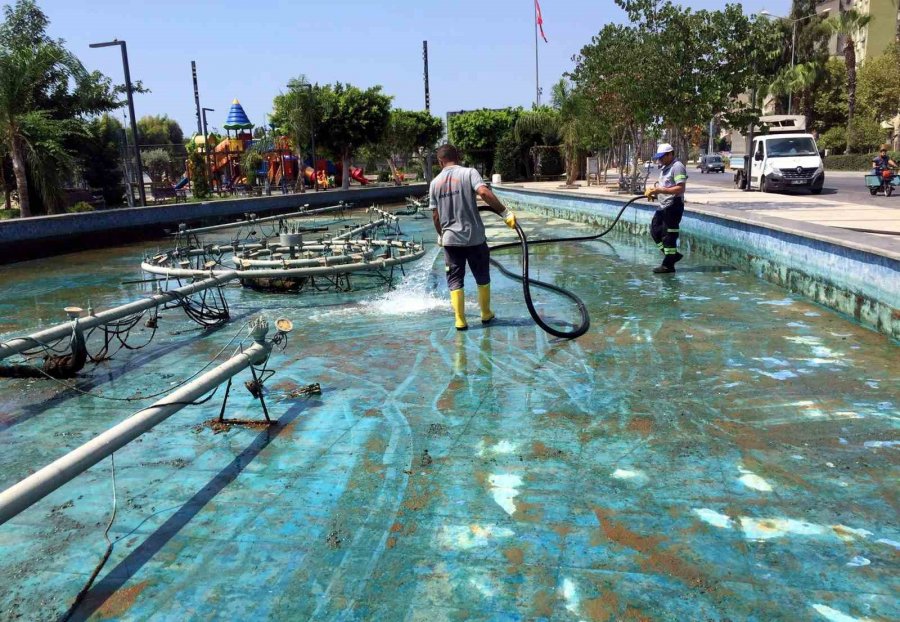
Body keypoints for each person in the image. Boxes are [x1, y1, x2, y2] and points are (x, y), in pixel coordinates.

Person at [430, 144, 516, 330]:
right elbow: (484, 192)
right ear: (458, 156)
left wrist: (441, 234)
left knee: (454, 279)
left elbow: (435, 215)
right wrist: (504, 213)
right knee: (482, 275)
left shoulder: (434, 183)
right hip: (474, 237)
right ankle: (485, 313)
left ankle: (460, 320)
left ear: (439, 161)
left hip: (450, 240)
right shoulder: (469, 173)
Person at [644, 143, 687, 274]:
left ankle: (668, 265)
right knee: (655, 229)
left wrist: (660, 190)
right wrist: (655, 194)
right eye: (659, 157)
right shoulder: (665, 168)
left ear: (670, 154)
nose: (660, 159)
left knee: (669, 235)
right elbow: (665, 186)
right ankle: (673, 256)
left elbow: (680, 187)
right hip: (664, 206)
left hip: (673, 206)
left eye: (662, 157)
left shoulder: (677, 167)